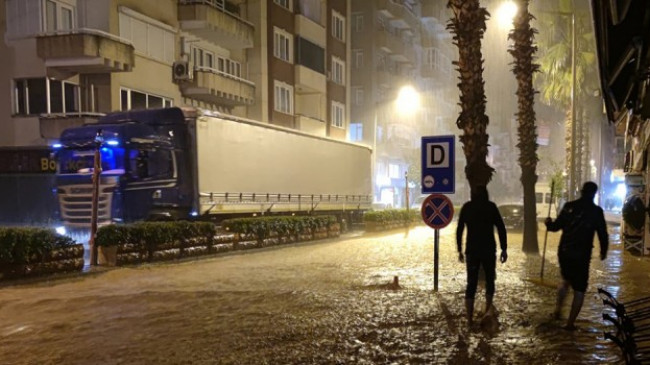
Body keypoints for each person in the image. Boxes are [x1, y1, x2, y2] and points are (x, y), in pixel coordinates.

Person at [545, 181, 609, 330]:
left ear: (581, 191)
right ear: (594, 194)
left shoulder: (569, 207)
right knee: (579, 289)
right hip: (582, 256)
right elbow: (603, 234)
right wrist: (603, 251)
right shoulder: (596, 212)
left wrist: (548, 223)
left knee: (565, 280)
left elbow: (555, 227)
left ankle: (557, 311)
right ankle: (570, 324)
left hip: (565, 253)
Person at [456, 185, 508, 326]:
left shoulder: (467, 207)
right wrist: (504, 249)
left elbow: (460, 229)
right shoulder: (491, 207)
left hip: (472, 250)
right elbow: (501, 227)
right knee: (490, 280)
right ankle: (487, 310)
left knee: (471, 283)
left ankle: (469, 319)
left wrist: (459, 249)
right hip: (488, 250)